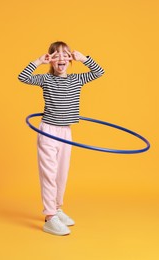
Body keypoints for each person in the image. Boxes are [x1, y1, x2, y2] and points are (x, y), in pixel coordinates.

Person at [18, 41, 104, 235]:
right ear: (51, 60)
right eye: (55, 55)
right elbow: (23, 77)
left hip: (66, 132)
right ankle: (50, 217)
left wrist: (84, 58)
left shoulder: (77, 79)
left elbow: (99, 72)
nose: (61, 58)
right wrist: (38, 61)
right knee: (49, 174)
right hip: (48, 131)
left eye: (65, 54)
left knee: (61, 174)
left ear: (71, 60)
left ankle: (57, 208)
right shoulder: (45, 80)